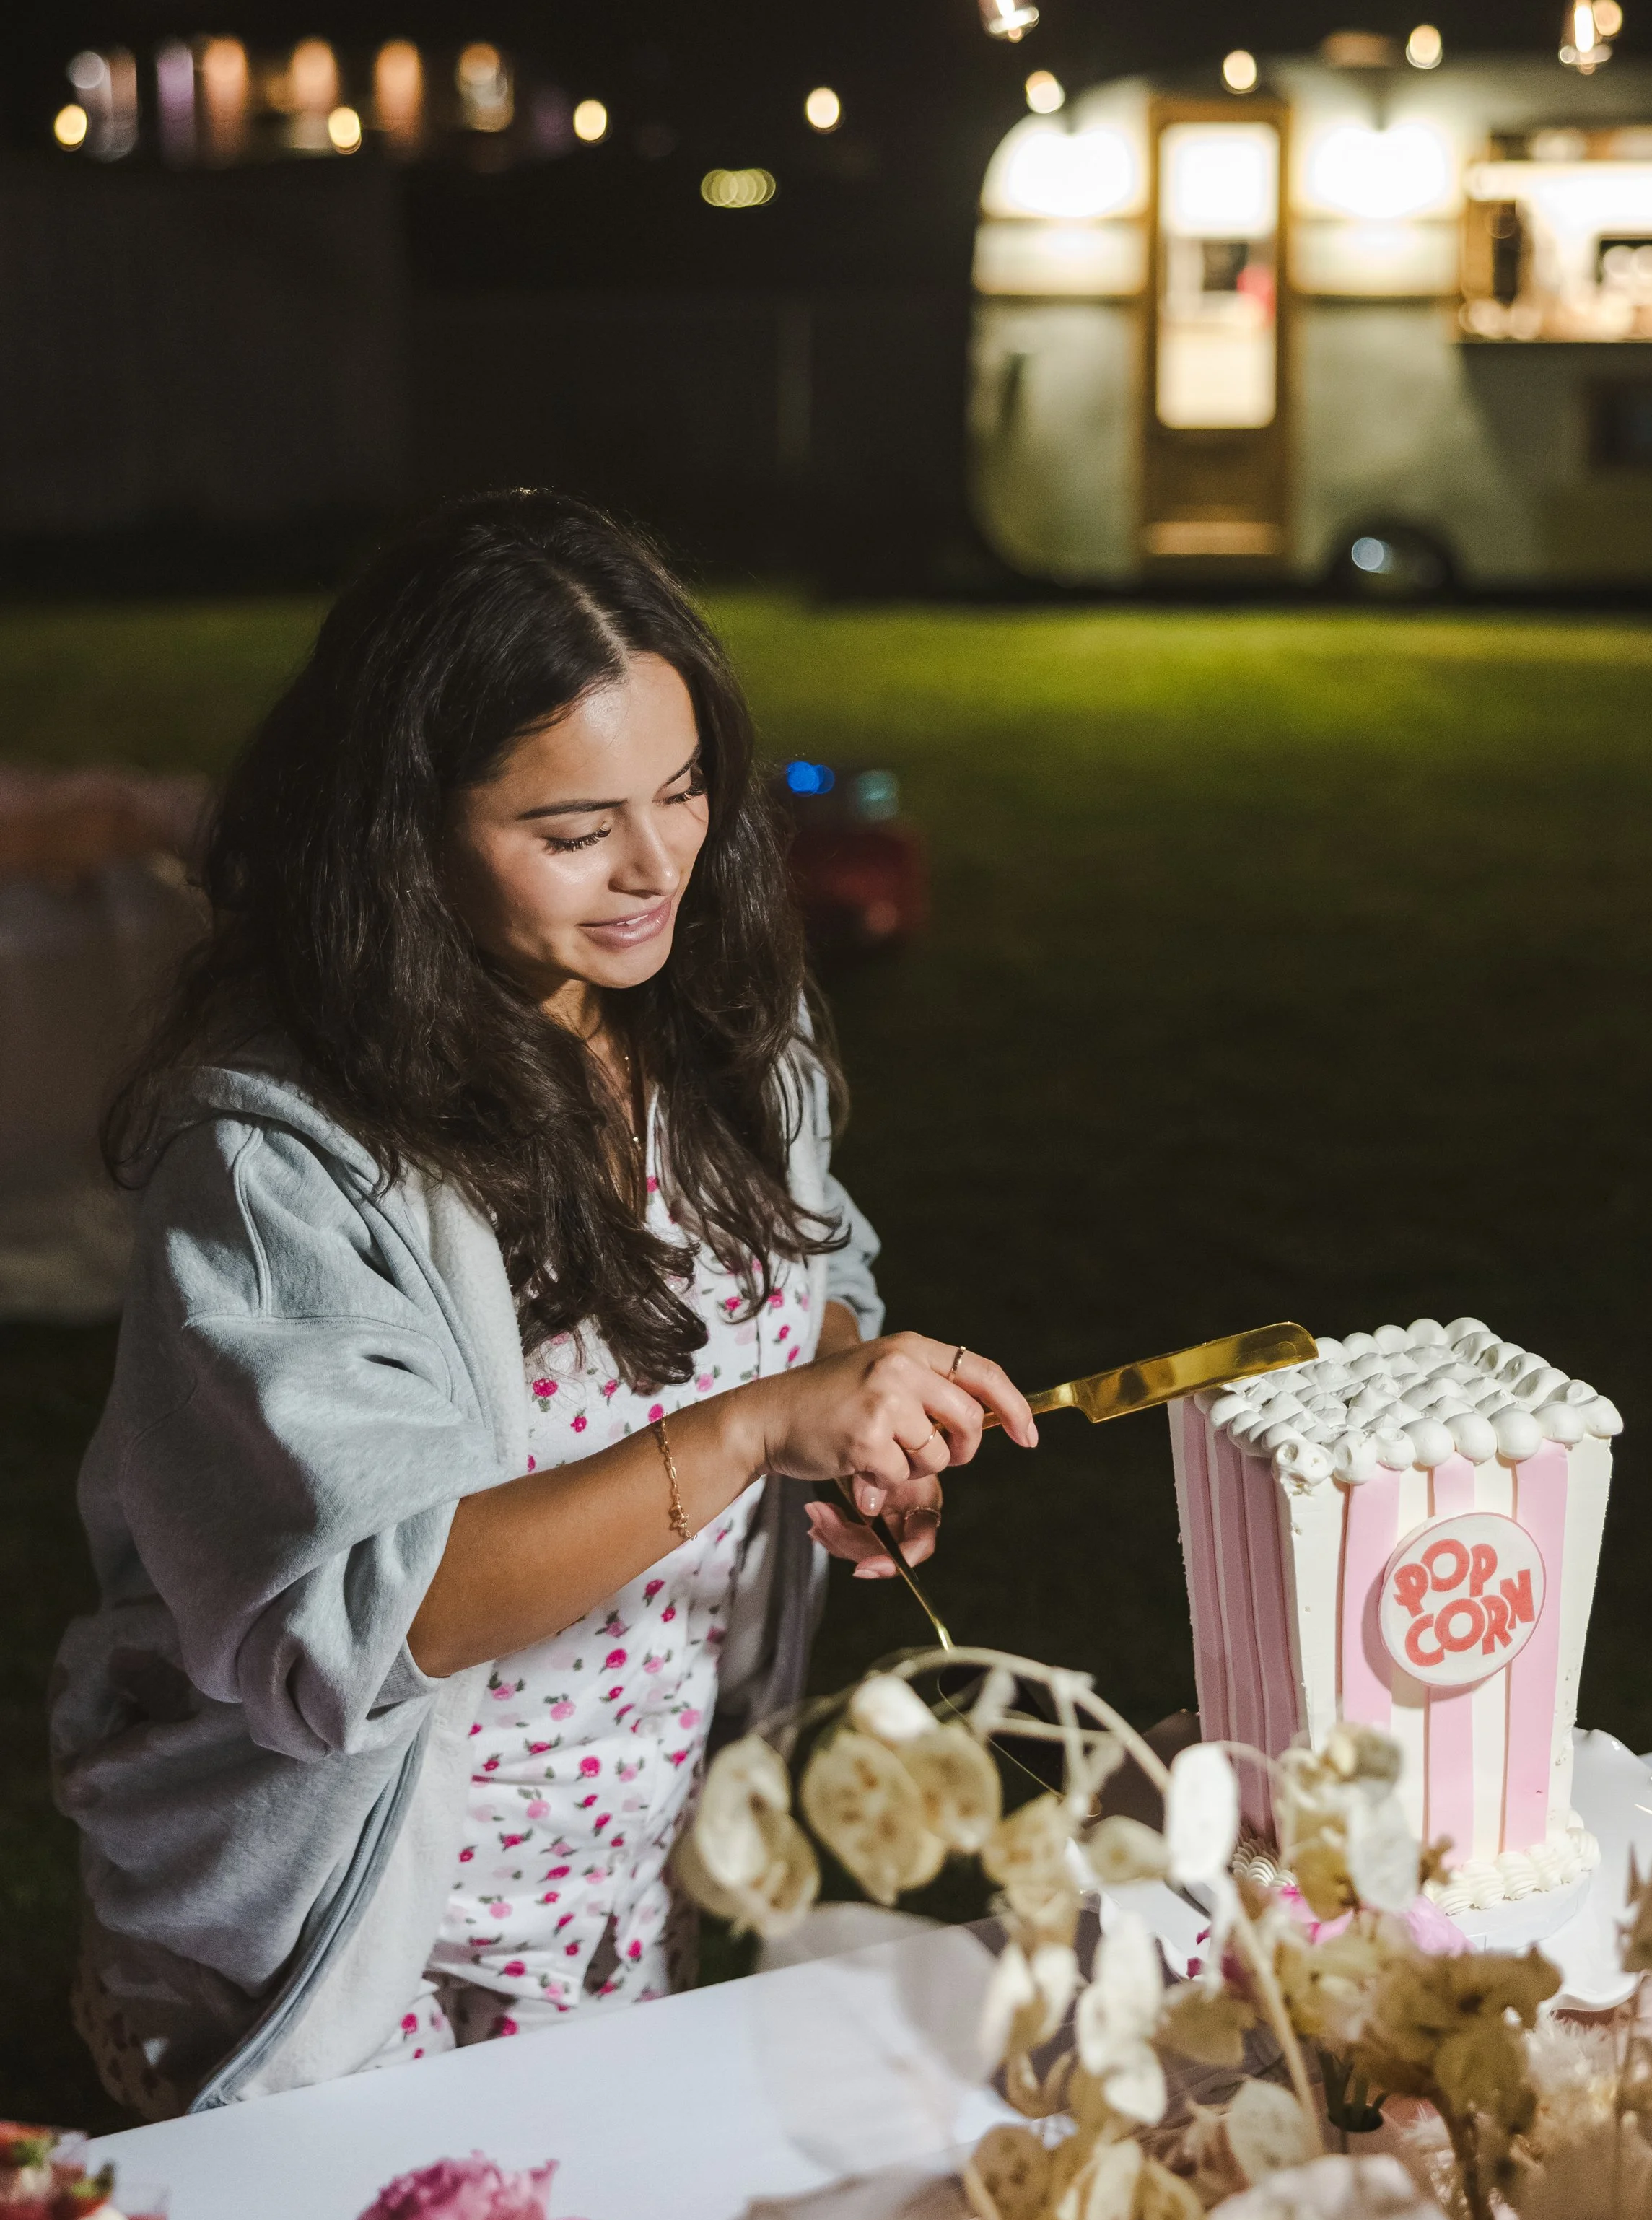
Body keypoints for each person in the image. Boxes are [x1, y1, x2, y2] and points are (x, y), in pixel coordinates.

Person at [51, 491, 1036, 2117]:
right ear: (404, 828)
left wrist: (847, 1407)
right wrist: (746, 1432)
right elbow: (371, 1614)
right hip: (353, 1941)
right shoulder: (280, 1157)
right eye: (573, 829)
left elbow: (815, 1267)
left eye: (685, 788)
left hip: (620, 1885)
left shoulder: (714, 1016)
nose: (659, 866)